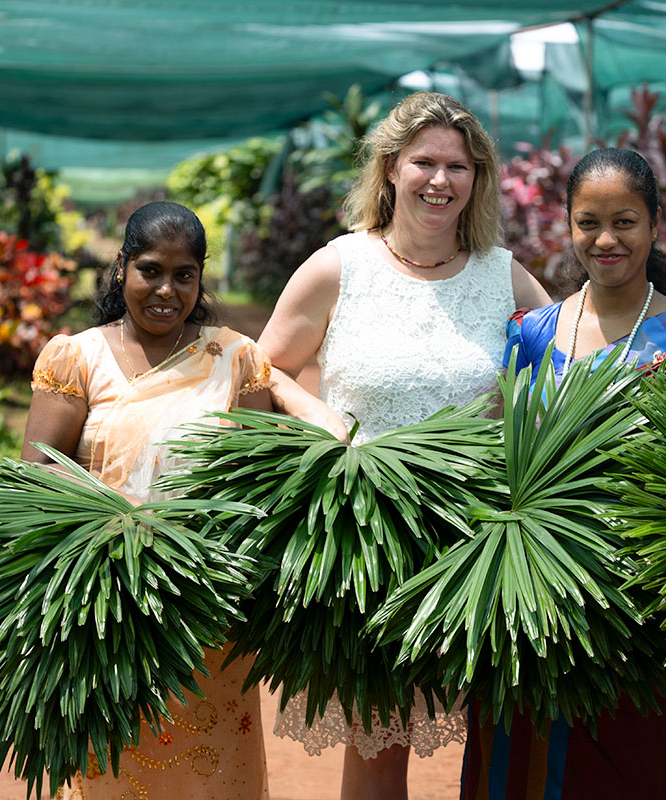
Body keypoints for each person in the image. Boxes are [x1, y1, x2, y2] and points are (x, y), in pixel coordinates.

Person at [258, 91, 549, 800]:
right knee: (379, 744)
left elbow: (560, 368)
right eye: (424, 162)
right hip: (365, 542)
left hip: (476, 545)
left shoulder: (502, 276)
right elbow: (259, 368)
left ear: (478, 178)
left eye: (459, 165)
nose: (440, 180)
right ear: (390, 168)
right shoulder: (339, 267)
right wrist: (313, 411)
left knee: (499, 744)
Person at [25, 201, 334, 800]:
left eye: (184, 275)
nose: (166, 290)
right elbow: (36, 480)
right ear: (121, 269)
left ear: (200, 277)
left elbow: (254, 485)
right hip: (103, 613)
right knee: (107, 771)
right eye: (149, 270)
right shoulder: (77, 358)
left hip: (204, 616)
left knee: (207, 773)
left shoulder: (235, 360)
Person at [461, 147, 666, 800]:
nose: (605, 239)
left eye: (625, 221)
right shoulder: (532, 334)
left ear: (655, 225)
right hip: (528, 605)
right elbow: (503, 450)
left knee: (623, 772)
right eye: (589, 222)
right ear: (569, 225)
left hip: (638, 618)